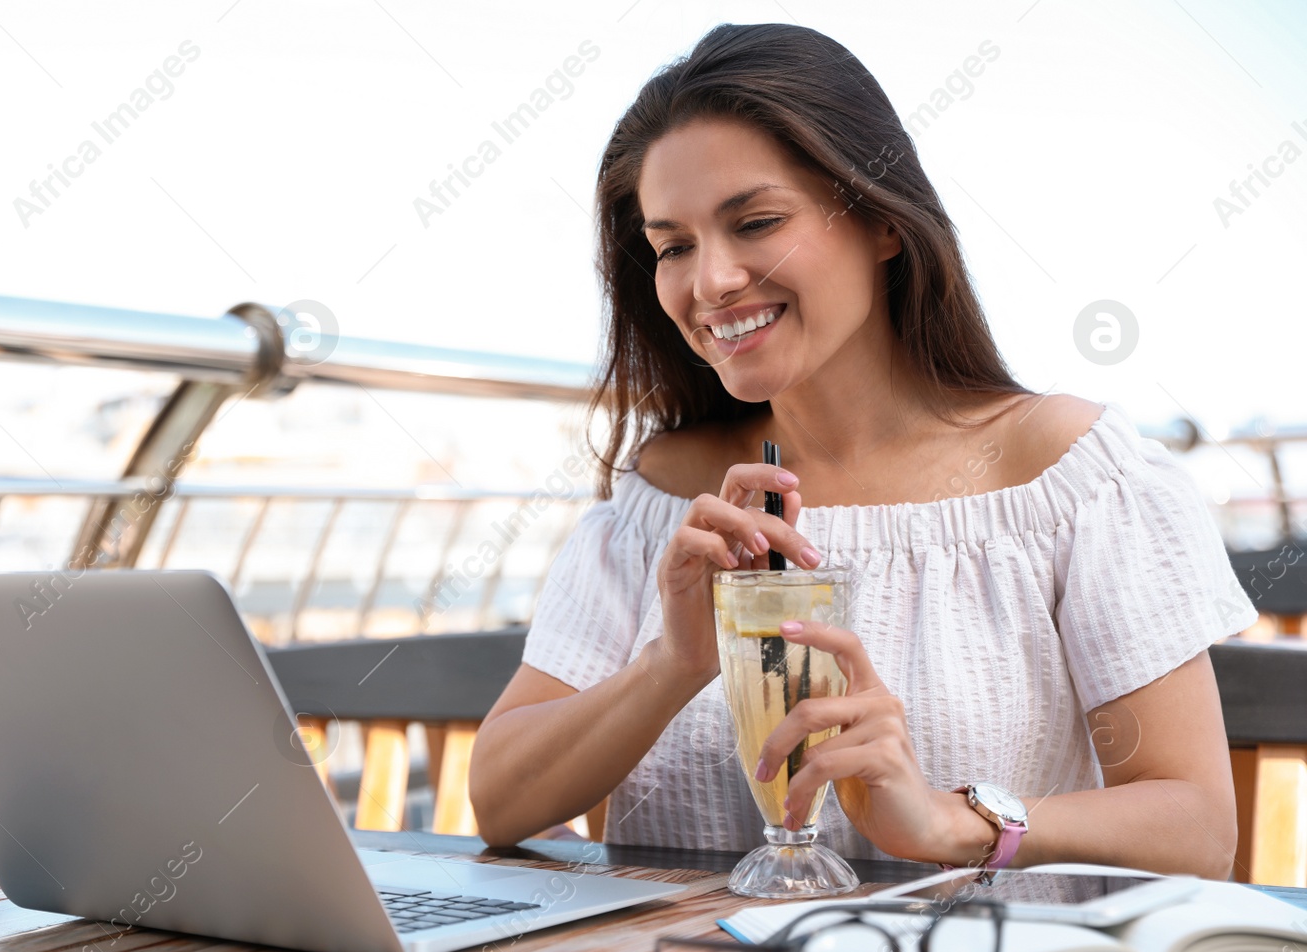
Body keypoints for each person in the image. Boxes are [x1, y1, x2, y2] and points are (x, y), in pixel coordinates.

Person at [468, 23, 1255, 879]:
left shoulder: (1065, 474)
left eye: (757, 221)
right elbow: (503, 801)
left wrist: (953, 824)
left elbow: (1199, 827)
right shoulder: (664, 496)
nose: (710, 283)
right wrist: (673, 663)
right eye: (673, 247)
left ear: (881, 220)